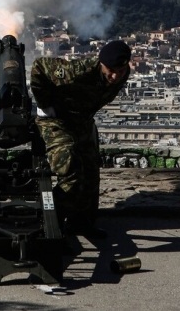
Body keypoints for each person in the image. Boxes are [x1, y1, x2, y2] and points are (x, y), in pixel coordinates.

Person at [30, 40, 131, 239]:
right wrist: (45, 103)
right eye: (110, 70)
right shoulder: (78, 71)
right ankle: (51, 226)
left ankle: (81, 224)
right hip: (56, 121)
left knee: (91, 173)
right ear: (101, 64)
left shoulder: (123, 74)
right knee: (70, 170)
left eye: (119, 71)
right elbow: (39, 67)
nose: (114, 76)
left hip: (82, 122)